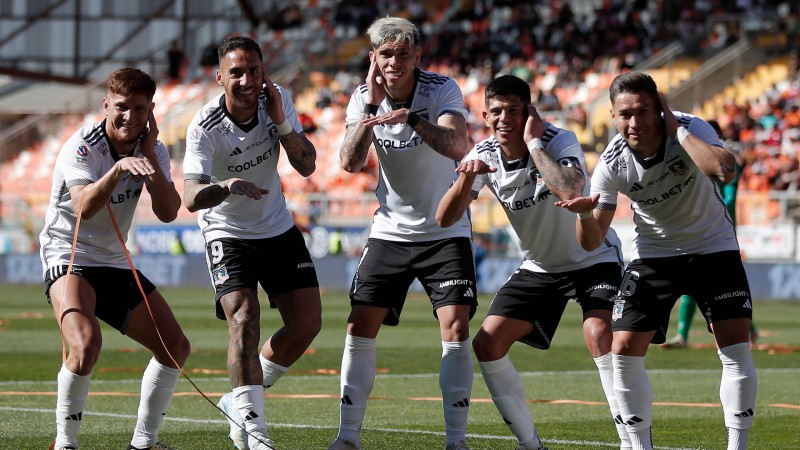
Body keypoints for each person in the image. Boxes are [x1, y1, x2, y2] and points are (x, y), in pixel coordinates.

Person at [556, 72, 757, 450]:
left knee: (735, 348)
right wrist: (584, 215)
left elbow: (723, 170)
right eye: (624, 114)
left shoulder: (690, 127)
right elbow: (591, 242)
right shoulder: (611, 164)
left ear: (658, 107)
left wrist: (676, 128)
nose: (634, 123)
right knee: (624, 349)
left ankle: (737, 446)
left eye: (643, 111)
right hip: (655, 254)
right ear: (613, 117)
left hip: (713, 247)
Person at [436, 74, 629, 450]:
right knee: (487, 343)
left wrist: (533, 142)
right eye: (496, 111)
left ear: (529, 113)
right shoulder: (484, 154)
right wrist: (464, 181)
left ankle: (630, 441)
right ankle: (530, 443)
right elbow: (444, 218)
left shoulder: (557, 140)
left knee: (598, 334)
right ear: (485, 116)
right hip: (540, 266)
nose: (504, 118)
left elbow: (570, 188)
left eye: (513, 110)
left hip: (592, 255)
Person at [328, 17, 477, 450]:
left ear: (417, 56)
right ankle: (348, 437)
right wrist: (372, 111)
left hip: (446, 229)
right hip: (390, 230)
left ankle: (456, 441)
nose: (394, 62)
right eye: (385, 54)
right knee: (359, 326)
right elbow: (350, 163)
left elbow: (456, 144)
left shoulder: (441, 89)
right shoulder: (362, 97)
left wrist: (412, 118)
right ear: (373, 58)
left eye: (402, 53)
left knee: (455, 328)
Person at [182, 35, 321, 450]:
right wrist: (225, 186)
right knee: (243, 316)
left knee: (307, 324)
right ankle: (256, 431)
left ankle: (238, 401)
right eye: (236, 72)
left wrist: (280, 123)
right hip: (227, 231)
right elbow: (190, 198)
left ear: (264, 72)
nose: (246, 81)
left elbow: (308, 164)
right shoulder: (204, 127)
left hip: (276, 225)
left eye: (254, 71)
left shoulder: (276, 102)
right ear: (219, 76)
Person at [40, 68, 190, 450]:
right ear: (106, 105)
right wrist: (119, 168)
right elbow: (85, 207)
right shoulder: (83, 146)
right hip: (68, 253)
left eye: (139, 109)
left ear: (150, 110)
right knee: (86, 344)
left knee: (175, 347)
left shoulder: (151, 149)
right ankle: (65, 443)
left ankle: (144, 442)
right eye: (121, 107)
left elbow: (170, 211)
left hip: (113, 260)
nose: (129, 117)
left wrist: (151, 157)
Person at [661, 119, 759, 350]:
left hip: (720, 228)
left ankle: (745, 332)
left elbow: (731, 195)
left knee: (727, 287)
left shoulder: (719, 159)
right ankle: (683, 335)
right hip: (703, 225)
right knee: (700, 281)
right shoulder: (695, 156)